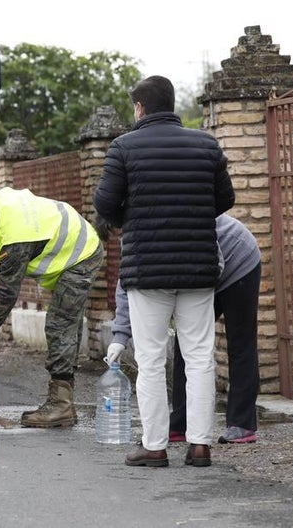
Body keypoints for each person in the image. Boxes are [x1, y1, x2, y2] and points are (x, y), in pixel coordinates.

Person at [94, 75, 235, 468]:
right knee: (200, 356)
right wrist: (189, 217)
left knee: (152, 359)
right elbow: (225, 198)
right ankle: (200, 445)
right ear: (171, 106)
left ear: (140, 108)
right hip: (198, 268)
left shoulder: (123, 147)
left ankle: (154, 446)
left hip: (148, 269)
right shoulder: (206, 144)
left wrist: (135, 217)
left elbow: (105, 204)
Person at [0, 186, 103, 428]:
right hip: (62, 238)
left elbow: (6, 296)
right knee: (64, 323)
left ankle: (61, 405)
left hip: (81, 254)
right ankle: (62, 401)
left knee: (60, 324)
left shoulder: (14, 240)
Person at [108, 213, 262, 444]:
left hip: (238, 260)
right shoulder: (138, 235)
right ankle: (180, 424)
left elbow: (214, 260)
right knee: (185, 345)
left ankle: (242, 423)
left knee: (240, 343)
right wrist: (120, 335)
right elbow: (127, 284)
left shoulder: (162, 223)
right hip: (199, 271)